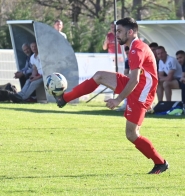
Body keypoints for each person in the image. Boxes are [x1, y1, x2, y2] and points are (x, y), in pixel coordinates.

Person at [53, 17, 168, 174]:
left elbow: (134, 80)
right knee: (99, 76)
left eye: (119, 31)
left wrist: (118, 99)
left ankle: (160, 163)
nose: (117, 35)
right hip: (136, 86)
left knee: (132, 134)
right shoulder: (134, 47)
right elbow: (134, 79)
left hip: (141, 94)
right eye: (116, 31)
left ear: (130, 32)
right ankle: (64, 98)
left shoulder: (137, 49)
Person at [116, 46, 130, 111]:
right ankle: (126, 104)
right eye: (127, 53)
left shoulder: (138, 59)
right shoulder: (127, 60)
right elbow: (125, 73)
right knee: (124, 81)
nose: (128, 55)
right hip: (134, 78)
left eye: (129, 53)